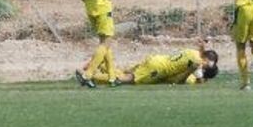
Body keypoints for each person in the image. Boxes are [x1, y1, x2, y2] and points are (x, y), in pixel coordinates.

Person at [91, 38, 219, 85]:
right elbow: (186, 80)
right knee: (127, 80)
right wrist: (195, 73)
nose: (206, 66)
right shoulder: (197, 62)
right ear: (207, 59)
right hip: (158, 69)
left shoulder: (193, 52)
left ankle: (102, 66)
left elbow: (201, 55)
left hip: (157, 59)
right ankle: (92, 76)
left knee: (126, 73)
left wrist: (202, 47)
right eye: (208, 64)